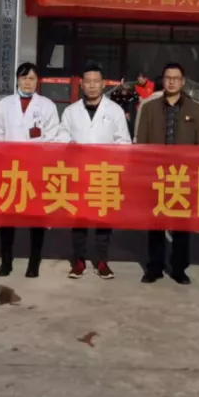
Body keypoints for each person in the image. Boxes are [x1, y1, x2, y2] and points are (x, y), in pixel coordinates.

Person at [134, 63, 199, 284]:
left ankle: (179, 268)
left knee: (181, 226)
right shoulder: (149, 108)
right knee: (156, 224)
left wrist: (197, 176)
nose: (172, 81)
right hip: (156, 175)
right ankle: (155, 267)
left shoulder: (196, 109)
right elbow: (141, 142)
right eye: (168, 77)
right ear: (163, 80)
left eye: (176, 78)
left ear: (183, 82)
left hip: (183, 177)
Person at [0, 62, 65, 278]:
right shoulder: (5, 104)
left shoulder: (47, 105)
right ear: (17, 80)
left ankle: (34, 262)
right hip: (10, 169)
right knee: (8, 217)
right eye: (24, 78)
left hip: (36, 169)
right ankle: (6, 261)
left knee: (36, 217)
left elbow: (53, 136)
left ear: (37, 80)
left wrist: (39, 155)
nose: (28, 82)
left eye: (32, 78)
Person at [61, 63, 131, 279]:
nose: (92, 86)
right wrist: (69, 143)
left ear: (103, 84)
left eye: (96, 81)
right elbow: (61, 135)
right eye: (88, 82)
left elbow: (124, 141)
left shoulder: (115, 111)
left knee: (103, 221)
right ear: (81, 84)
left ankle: (102, 261)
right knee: (79, 220)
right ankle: (79, 261)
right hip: (78, 173)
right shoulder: (71, 111)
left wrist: (115, 161)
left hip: (105, 173)